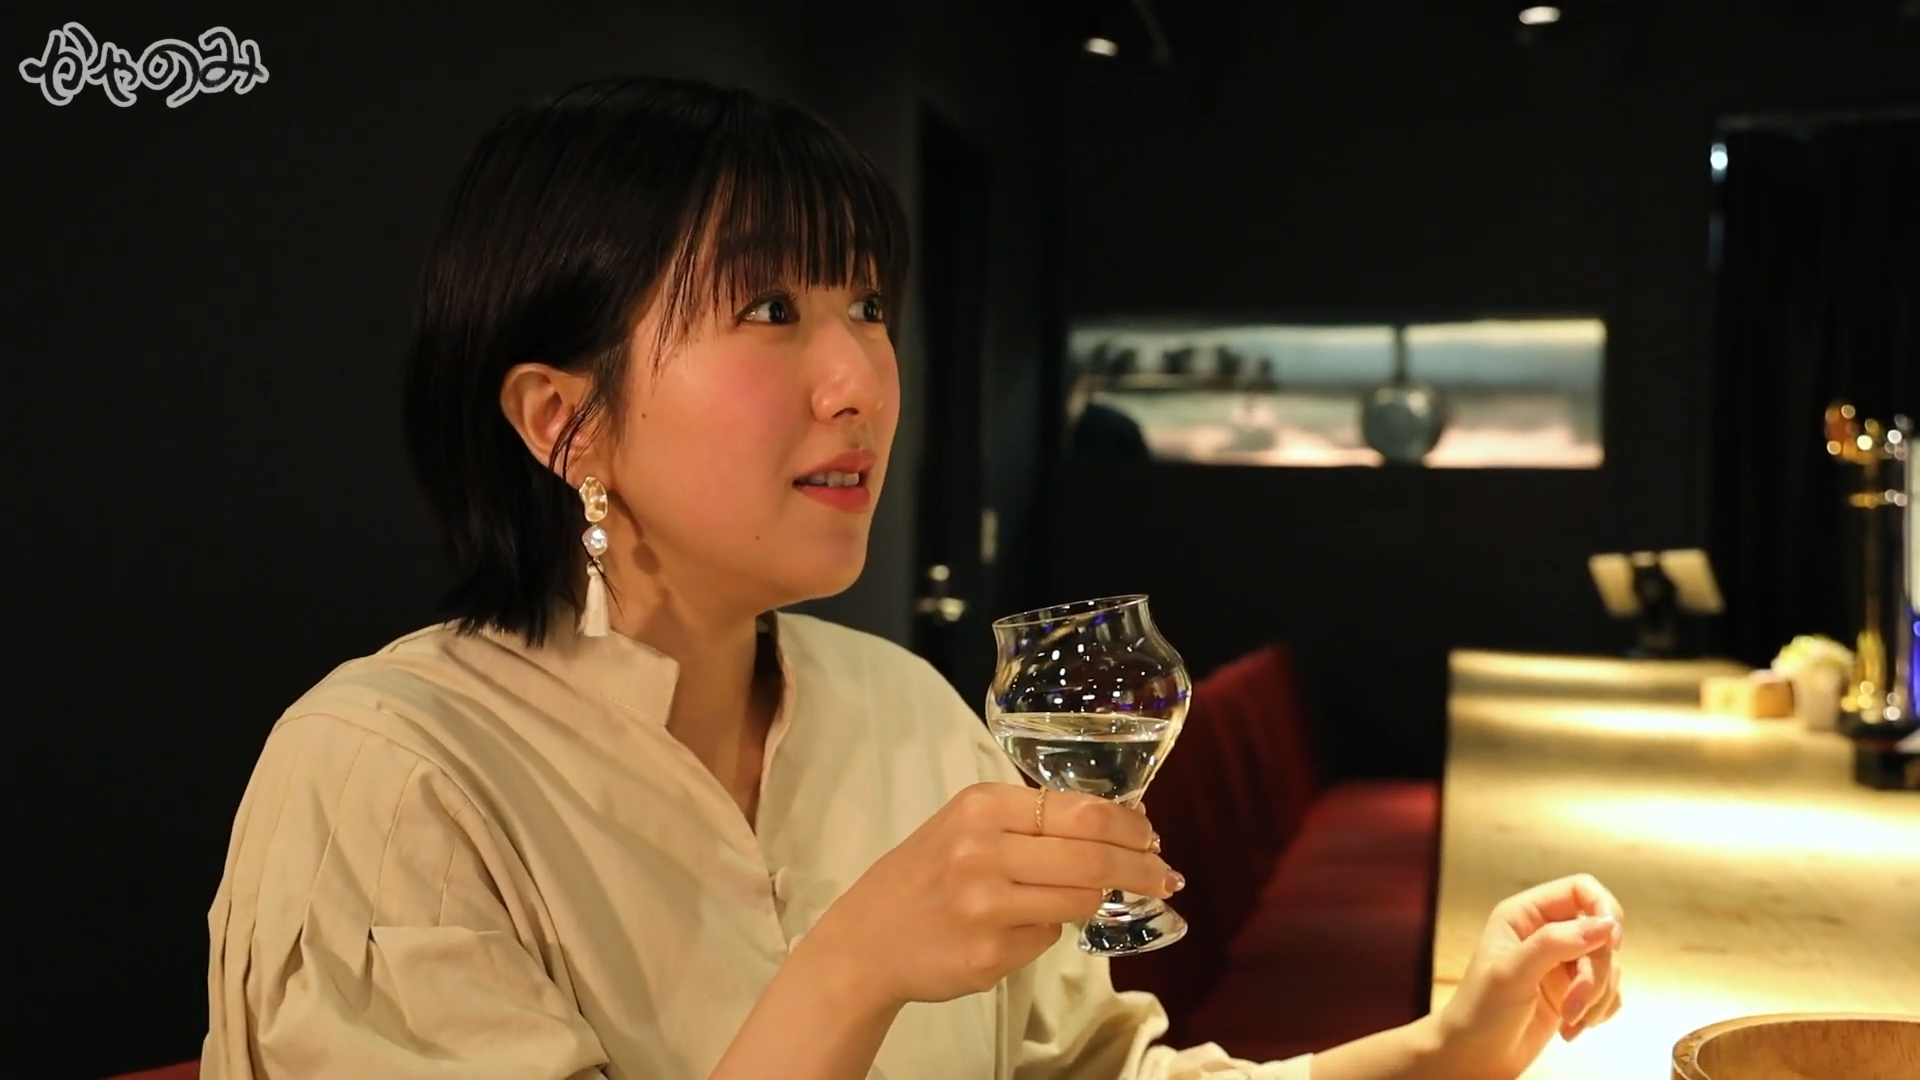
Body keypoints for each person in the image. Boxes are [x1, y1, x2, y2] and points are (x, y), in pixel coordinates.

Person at [201, 76, 1624, 1080]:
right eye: (772, 308)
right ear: (562, 421)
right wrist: (852, 967)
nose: (860, 381)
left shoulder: (906, 714)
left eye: (868, 306)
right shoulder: (389, 780)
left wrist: (1445, 1052)